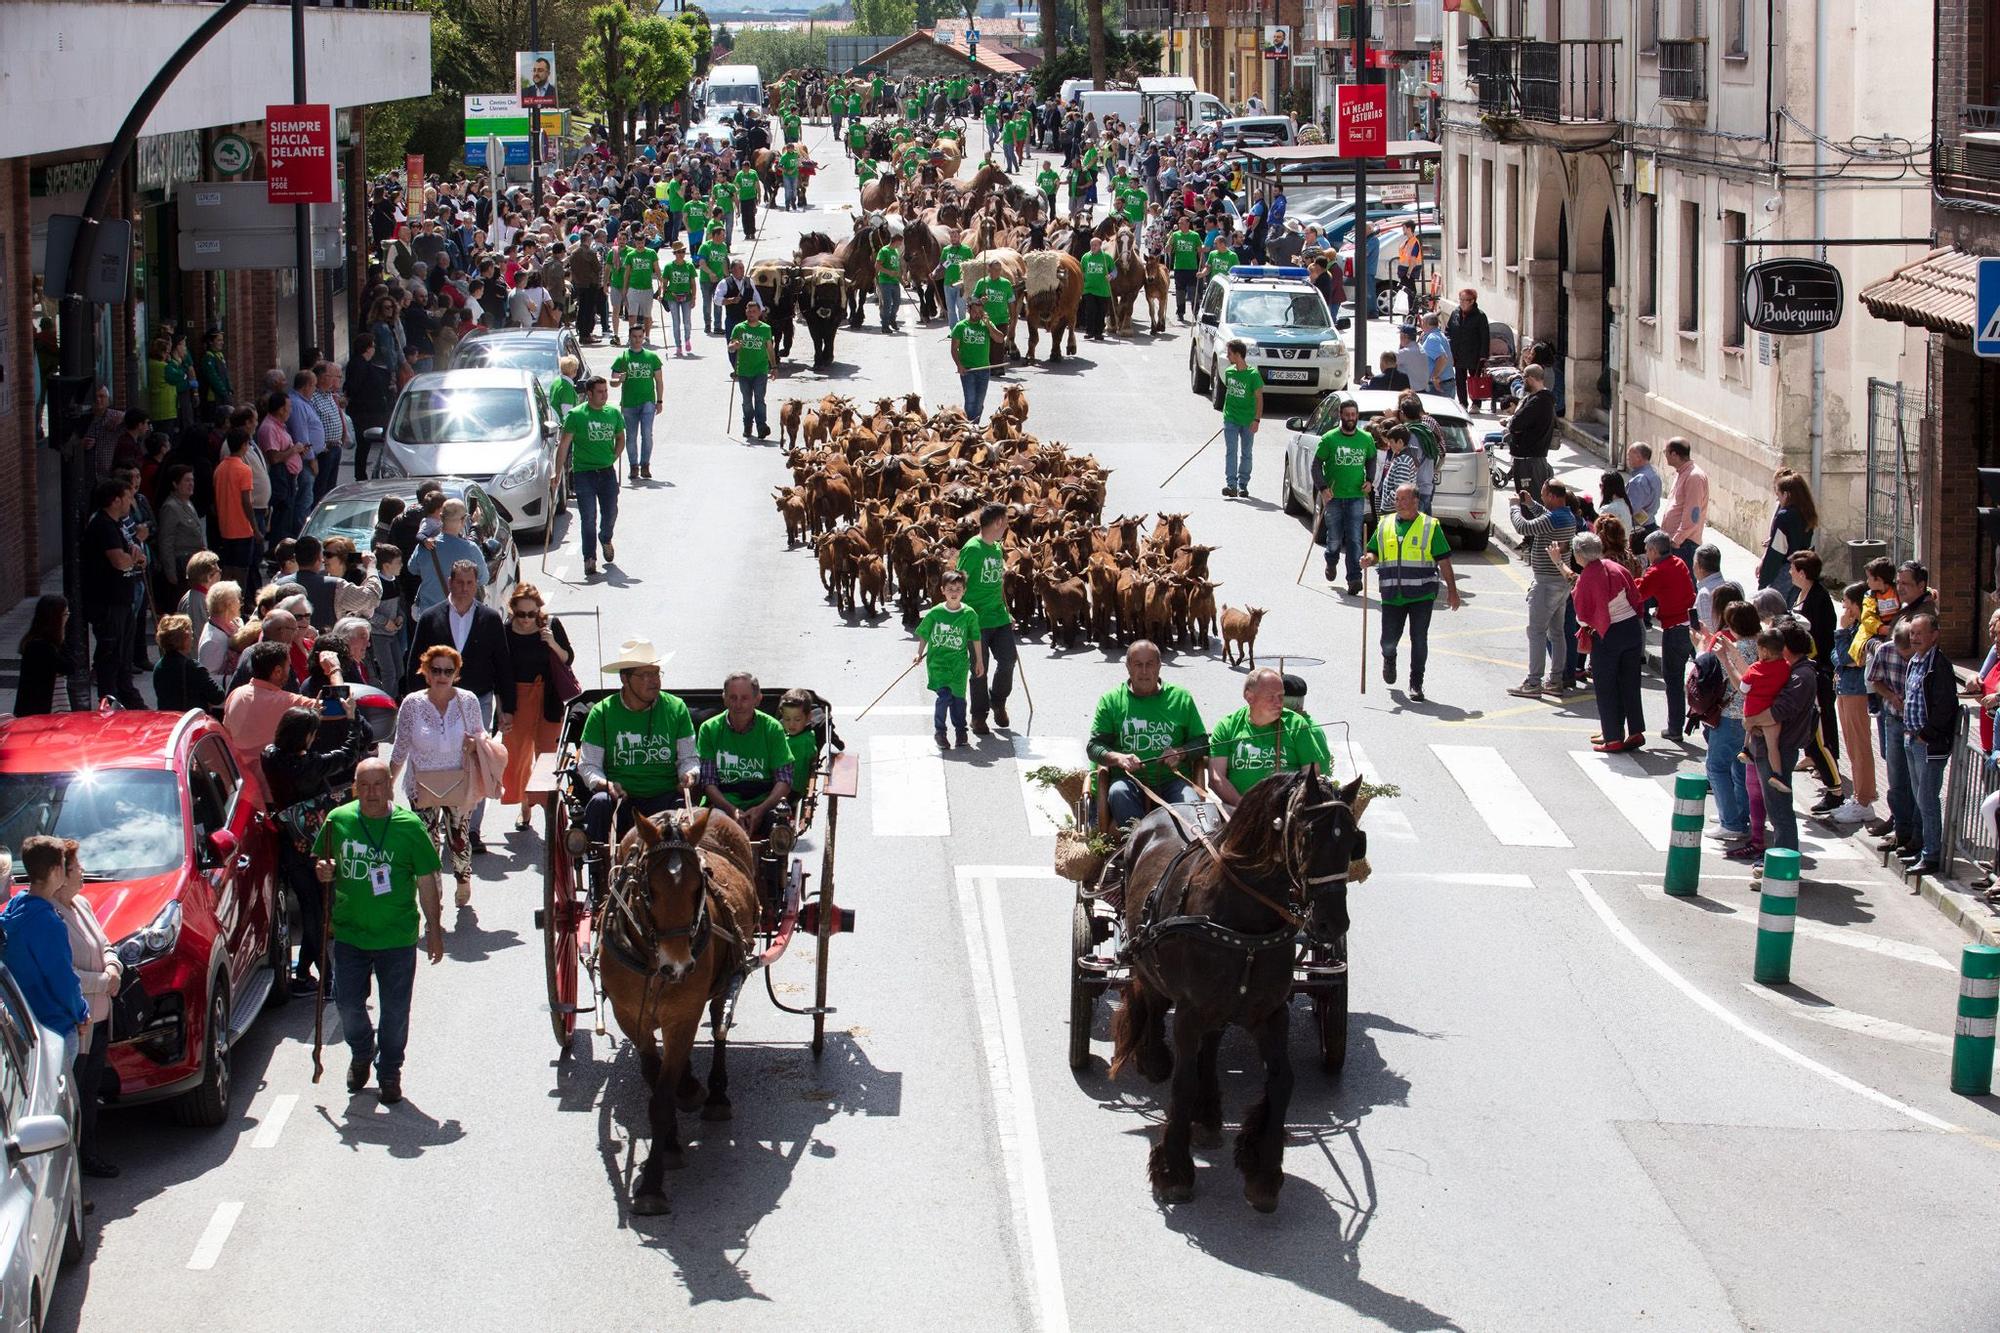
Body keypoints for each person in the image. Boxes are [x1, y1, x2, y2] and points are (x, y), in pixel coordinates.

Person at [311, 757, 445, 1103]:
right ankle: (361, 1052)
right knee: (348, 1006)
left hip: (397, 937)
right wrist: (323, 870)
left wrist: (434, 928)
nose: (371, 793)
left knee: (396, 1011)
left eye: (378, 785)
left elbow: (427, 880)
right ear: (355, 788)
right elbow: (322, 863)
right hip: (350, 934)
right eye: (364, 786)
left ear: (389, 787)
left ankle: (389, 1071)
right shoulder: (337, 820)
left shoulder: (409, 826)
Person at [403, 559, 513, 853]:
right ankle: (441, 818)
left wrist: (507, 707)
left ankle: (470, 829)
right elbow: (415, 662)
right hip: (437, 703)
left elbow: (502, 664)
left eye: (470, 583)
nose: (464, 589)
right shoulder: (430, 617)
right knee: (443, 759)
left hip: (478, 700)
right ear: (450, 583)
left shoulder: (489, 619)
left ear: (476, 585)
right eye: (459, 582)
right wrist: (415, 704)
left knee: (476, 763)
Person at [265, 702, 370, 996]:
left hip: (290, 842)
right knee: (319, 911)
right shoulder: (309, 766)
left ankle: (307, 973)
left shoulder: (269, 756)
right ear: (305, 737)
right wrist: (351, 720)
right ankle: (325, 977)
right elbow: (348, 755)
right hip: (316, 843)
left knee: (313, 907)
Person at [390, 645, 487, 906]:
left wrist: (474, 743)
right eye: (436, 670)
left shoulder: (467, 700)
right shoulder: (412, 703)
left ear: (456, 674)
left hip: (458, 780)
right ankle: (434, 893)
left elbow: (481, 734)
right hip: (422, 783)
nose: (442, 675)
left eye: (448, 670)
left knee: (458, 837)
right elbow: (400, 746)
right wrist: (388, 782)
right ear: (426, 672)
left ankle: (463, 879)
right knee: (426, 843)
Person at [577, 637, 698, 848]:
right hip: (623, 800)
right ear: (625, 678)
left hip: (666, 799)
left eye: (656, 673)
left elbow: (689, 759)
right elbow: (589, 766)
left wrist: (688, 774)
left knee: (690, 812)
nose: (654, 680)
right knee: (599, 803)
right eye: (645, 675)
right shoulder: (601, 713)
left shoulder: (676, 708)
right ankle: (600, 870)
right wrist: (606, 785)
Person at [0, 839, 89, 1124]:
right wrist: (81, 1012)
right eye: (64, 866)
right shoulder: (48, 923)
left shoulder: (14, 909)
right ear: (54, 871)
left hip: (24, 1028)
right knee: (58, 1113)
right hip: (56, 1029)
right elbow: (62, 979)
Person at [49, 840, 122, 1177]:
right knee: (77, 1097)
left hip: (101, 1017)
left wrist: (113, 967)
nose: (82, 871)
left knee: (91, 1091)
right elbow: (65, 974)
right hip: (80, 1023)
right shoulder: (52, 917)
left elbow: (105, 944)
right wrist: (103, 982)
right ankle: (77, 1163)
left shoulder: (81, 905)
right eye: (77, 867)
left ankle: (89, 1153)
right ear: (60, 875)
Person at [1088, 640, 1207, 826]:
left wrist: (1181, 752)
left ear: (1159, 666)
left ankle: (1183, 851)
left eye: (1150, 664)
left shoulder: (1181, 698)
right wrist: (1118, 758)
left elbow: (1202, 742)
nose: (1144, 671)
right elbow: (1094, 747)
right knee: (1118, 793)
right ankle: (1140, 845)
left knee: (1191, 803)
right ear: (1128, 667)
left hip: (1172, 780)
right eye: (1138, 665)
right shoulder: (1110, 701)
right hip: (1129, 782)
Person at [1362, 483, 1462, 703]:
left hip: (1421, 595)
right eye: (1396, 499)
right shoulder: (1385, 524)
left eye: (1403, 499)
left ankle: (1416, 683)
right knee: (1388, 641)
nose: (1398, 503)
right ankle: (1389, 658)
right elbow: (1374, 551)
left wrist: (1452, 592)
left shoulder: (1429, 526)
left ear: (1416, 501)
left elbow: (1444, 561)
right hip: (1391, 595)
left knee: (1419, 639)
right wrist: (1368, 560)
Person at [498, 584, 574, 831]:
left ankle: (549, 809)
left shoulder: (550, 625)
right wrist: (502, 710)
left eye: (532, 614)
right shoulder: (505, 632)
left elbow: (568, 658)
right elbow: (499, 675)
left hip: (547, 699)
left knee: (548, 757)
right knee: (518, 758)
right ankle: (524, 805)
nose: (528, 619)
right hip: (517, 701)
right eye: (522, 614)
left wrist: (552, 642)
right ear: (513, 611)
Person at [1564, 530, 1647, 750]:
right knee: (1630, 682)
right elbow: (1634, 596)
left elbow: (1582, 617)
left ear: (1579, 555)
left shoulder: (1587, 577)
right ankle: (1635, 731)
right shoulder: (1615, 567)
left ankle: (1613, 737)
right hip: (1631, 629)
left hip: (1608, 634)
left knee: (1606, 685)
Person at [1206, 667, 1330, 809]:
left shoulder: (1296, 724)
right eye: (1271, 697)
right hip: (1239, 810)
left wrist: (1292, 804)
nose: (1279, 703)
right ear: (1249, 697)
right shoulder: (1227, 727)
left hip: (1286, 810)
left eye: (1281, 697)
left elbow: (1311, 773)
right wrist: (1242, 807)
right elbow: (1216, 778)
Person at [698, 671, 795, 836]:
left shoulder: (772, 728)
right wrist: (731, 810)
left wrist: (761, 809)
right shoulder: (709, 729)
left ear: (757, 699)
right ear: (724, 698)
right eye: (733, 697)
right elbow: (708, 782)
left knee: (779, 829)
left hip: (764, 803)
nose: (738, 704)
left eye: (745, 698)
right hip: (723, 805)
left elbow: (784, 779)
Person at [1506, 481, 1578, 699]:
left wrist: (1515, 507)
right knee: (1557, 633)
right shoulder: (1567, 516)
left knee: (1536, 632)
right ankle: (1555, 679)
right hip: (1561, 582)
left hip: (1546, 583)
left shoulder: (1552, 518)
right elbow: (1545, 515)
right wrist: (1532, 503)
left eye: (1544, 495)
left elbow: (1524, 527)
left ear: (1554, 496)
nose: (1543, 498)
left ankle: (1533, 681)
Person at [957, 503, 1019, 735]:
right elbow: (959, 582)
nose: (1007, 526)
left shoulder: (996, 549)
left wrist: (1007, 610)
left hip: (998, 617)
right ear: (997, 523)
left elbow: (997, 585)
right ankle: (978, 716)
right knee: (979, 669)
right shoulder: (972, 549)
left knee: (1008, 660)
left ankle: (998, 701)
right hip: (976, 620)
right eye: (1006, 521)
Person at [1899, 611, 1953, 875]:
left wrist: (1926, 734)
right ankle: (1921, 848)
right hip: (1912, 739)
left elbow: (1945, 707)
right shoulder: (1915, 661)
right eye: (1912, 633)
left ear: (1934, 635)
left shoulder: (1939, 665)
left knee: (1927, 800)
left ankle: (1931, 855)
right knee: (1920, 800)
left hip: (1929, 745)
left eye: (1920, 633)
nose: (1915, 638)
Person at [557, 376, 624, 577]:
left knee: (610, 512)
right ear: (589, 394)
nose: (605, 394)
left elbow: (620, 437)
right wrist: (556, 472)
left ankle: (605, 537)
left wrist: (614, 455)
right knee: (588, 517)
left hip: (607, 472)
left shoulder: (613, 413)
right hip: (584, 473)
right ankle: (589, 558)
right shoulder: (576, 415)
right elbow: (564, 445)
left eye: (606, 391)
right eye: (600, 391)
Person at [1634, 530, 1697, 739]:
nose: (1646, 554)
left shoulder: (1657, 571)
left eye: (1647, 551)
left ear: (1653, 550)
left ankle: (1675, 728)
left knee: (1673, 680)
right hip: (1690, 626)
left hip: (1675, 628)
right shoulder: (1678, 562)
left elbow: (1639, 594)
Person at [915, 571, 985, 749]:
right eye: (950, 589)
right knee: (944, 696)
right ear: (942, 590)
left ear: (964, 591)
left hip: (959, 664)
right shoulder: (935, 613)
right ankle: (940, 732)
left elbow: (975, 638)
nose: (954, 592)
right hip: (938, 663)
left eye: (958, 589)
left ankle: (961, 732)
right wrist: (919, 652)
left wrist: (979, 661)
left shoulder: (969, 614)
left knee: (958, 700)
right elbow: (924, 633)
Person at [1831, 583, 1881, 827]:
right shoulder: (1854, 628)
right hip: (1845, 689)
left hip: (1856, 691)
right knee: (1851, 745)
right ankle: (1859, 798)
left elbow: (1847, 657)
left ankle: (1864, 801)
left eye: (1847, 603)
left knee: (1860, 746)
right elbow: (1836, 658)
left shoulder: (1864, 630)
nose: (1843, 607)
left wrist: (1841, 633)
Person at [1315, 398, 1376, 596]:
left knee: (1354, 539)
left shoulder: (1366, 439)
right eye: (1347, 414)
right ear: (1340, 415)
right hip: (1333, 497)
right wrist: (1323, 488)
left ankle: (1354, 578)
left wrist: (1370, 480)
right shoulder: (1329, 439)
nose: (1350, 418)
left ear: (1357, 416)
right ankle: (1331, 561)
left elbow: (1371, 459)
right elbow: (1316, 466)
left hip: (1356, 497)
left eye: (1353, 415)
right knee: (1333, 539)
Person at [409, 498, 487, 612]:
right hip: (460, 614)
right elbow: (483, 579)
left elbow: (412, 569)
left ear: (441, 517)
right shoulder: (471, 549)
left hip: (429, 614)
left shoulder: (425, 545)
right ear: (464, 519)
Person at [611, 324, 665, 481]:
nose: (637, 340)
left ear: (644, 337)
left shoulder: (652, 357)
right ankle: (633, 466)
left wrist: (659, 400)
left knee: (647, 434)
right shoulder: (622, 358)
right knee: (631, 436)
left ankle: (645, 464)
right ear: (629, 337)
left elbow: (659, 380)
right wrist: (618, 379)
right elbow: (613, 382)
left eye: (640, 337)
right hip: (628, 403)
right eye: (634, 337)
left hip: (648, 402)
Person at [1758, 470, 1819, 595]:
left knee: (1771, 609)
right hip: (1802, 568)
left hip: (1785, 569)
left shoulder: (1784, 516)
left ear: (1786, 494)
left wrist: (1764, 578)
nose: (1778, 498)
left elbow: (1777, 551)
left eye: (1779, 494)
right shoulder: (1807, 512)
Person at [14, 594, 74, 717]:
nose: (67, 618)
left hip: (47, 707)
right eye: (65, 614)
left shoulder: (42, 642)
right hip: (41, 710)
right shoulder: (41, 646)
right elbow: (69, 666)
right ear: (55, 618)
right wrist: (62, 641)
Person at [153, 614, 224, 715]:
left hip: (169, 722)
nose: (192, 638)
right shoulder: (193, 668)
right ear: (184, 639)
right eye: (191, 634)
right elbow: (218, 696)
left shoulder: (158, 667)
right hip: (191, 723)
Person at [1217, 339, 1262, 499]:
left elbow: (1259, 398)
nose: (1227, 356)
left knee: (1246, 453)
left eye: (1229, 353)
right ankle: (1231, 485)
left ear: (1237, 354)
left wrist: (1256, 420)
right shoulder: (1229, 372)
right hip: (1231, 418)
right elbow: (1228, 393)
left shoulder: (1253, 375)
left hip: (1248, 420)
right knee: (1231, 451)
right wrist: (1226, 415)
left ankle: (1243, 485)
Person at [1503, 366, 1556, 496]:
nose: (1523, 382)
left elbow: (1516, 423)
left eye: (1524, 378)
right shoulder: (1535, 399)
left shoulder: (1538, 401)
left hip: (1530, 460)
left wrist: (1512, 423)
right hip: (1529, 458)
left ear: (1531, 379)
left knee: (1529, 499)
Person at [1659, 437, 1708, 569]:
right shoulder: (1682, 473)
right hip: (1675, 541)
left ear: (1674, 454)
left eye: (1666, 452)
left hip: (1684, 543)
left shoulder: (1694, 476)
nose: (1665, 455)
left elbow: (1693, 515)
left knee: (1685, 585)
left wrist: (1676, 540)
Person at [730, 301, 775, 441]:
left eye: (754, 311)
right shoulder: (739, 328)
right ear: (746, 312)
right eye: (749, 312)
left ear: (759, 313)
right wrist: (734, 346)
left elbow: (769, 349)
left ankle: (761, 427)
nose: (751, 314)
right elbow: (730, 347)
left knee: (760, 400)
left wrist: (774, 367)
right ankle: (748, 425)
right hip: (743, 371)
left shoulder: (765, 329)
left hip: (760, 370)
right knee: (747, 401)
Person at [949, 301, 1000, 424]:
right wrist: (959, 365)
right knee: (970, 400)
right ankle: (972, 426)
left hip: (984, 370)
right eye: (974, 311)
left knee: (979, 402)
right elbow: (954, 348)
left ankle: (972, 424)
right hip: (968, 370)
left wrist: (988, 323)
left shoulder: (986, 325)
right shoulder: (961, 326)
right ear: (969, 310)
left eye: (980, 312)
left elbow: (999, 339)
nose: (977, 314)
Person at [1444, 289, 1490, 412]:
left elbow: (1485, 337)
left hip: (1474, 354)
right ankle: (1463, 403)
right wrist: (1449, 346)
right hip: (1458, 353)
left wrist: (1483, 355)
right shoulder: (1455, 313)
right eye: (1461, 300)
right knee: (1459, 379)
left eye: (1465, 300)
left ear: (1472, 301)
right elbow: (1448, 330)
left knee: (1475, 379)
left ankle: (1476, 403)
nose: (1462, 303)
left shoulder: (1480, 316)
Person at [1624, 443, 1662, 538]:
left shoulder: (1638, 480)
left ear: (1638, 457)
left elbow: (1632, 509)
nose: (1627, 459)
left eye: (1629, 455)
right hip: (1651, 523)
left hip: (1639, 530)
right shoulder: (1654, 475)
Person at [876, 237, 905, 333]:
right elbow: (877, 266)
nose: (901, 245)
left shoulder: (896, 251)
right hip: (885, 281)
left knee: (897, 303)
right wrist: (888, 272)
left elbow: (896, 268)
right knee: (887, 304)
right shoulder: (884, 250)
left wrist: (902, 281)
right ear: (895, 241)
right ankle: (885, 326)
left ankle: (892, 319)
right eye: (900, 243)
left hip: (895, 281)